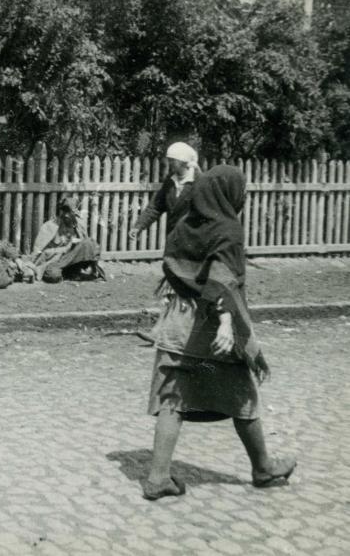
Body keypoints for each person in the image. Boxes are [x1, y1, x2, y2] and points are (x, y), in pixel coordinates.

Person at [142, 165, 295, 501]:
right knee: (243, 396)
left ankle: (157, 478)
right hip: (210, 331)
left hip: (177, 325)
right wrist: (226, 321)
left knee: (173, 400)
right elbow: (220, 277)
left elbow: (174, 266)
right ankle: (264, 468)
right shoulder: (228, 229)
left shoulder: (185, 225)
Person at [129, 142, 200, 242]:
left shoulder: (199, 182)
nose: (169, 163)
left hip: (193, 240)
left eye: (172, 160)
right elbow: (155, 206)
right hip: (172, 238)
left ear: (184, 161)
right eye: (169, 160)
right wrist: (139, 226)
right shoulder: (170, 182)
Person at [30, 196, 105, 283]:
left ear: (76, 213)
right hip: (55, 261)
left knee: (90, 243)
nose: (66, 214)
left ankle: (93, 274)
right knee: (53, 276)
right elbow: (39, 253)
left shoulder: (79, 226)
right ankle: (67, 274)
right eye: (64, 211)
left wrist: (76, 246)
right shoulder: (49, 226)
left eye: (69, 212)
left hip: (72, 261)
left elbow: (87, 250)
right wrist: (65, 249)